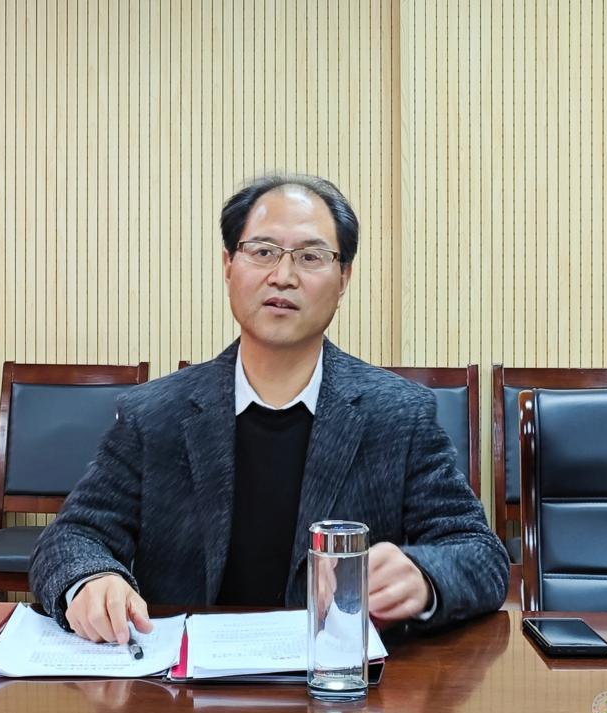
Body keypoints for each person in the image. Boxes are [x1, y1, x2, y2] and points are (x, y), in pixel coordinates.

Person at [29, 173, 509, 643]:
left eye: (311, 257)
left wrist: (423, 575)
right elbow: (72, 538)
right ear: (228, 265)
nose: (283, 276)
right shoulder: (154, 414)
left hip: (341, 680)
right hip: (183, 684)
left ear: (344, 278)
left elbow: (480, 554)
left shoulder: (399, 415)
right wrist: (91, 579)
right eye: (262, 252)